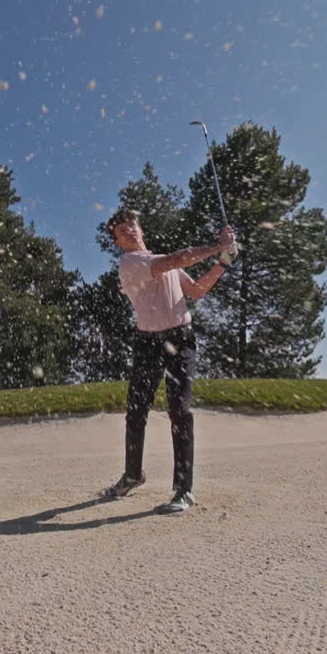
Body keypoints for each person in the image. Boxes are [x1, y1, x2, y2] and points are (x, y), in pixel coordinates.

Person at [100, 208, 237, 513]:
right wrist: (218, 246)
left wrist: (223, 262)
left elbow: (197, 291)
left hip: (181, 339)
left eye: (132, 226)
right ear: (118, 243)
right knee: (136, 411)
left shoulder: (164, 263)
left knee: (179, 410)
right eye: (122, 232)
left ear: (141, 229)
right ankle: (133, 474)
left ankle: (183, 490)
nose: (130, 232)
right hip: (148, 342)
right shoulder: (131, 263)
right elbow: (179, 258)